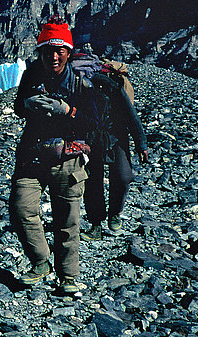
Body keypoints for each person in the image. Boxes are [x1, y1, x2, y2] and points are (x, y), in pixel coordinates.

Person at [10, 18, 96, 296]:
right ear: (40, 53)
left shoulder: (82, 83)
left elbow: (93, 123)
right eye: (48, 51)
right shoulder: (30, 76)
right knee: (21, 209)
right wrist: (28, 105)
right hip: (33, 155)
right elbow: (18, 108)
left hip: (68, 159)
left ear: (69, 53)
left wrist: (67, 111)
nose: (54, 56)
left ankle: (68, 277)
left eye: (60, 50)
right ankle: (40, 262)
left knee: (67, 221)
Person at [81, 68, 150, 239]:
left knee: (122, 176)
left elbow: (131, 116)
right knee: (92, 180)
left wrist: (141, 144)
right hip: (90, 138)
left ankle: (114, 213)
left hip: (116, 136)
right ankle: (95, 224)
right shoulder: (78, 88)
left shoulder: (112, 87)